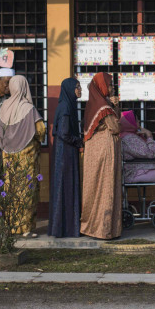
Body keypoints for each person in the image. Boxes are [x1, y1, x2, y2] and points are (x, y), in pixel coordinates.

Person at [0, 75, 46, 238]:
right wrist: (37, 139)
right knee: (26, 188)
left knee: (10, 188)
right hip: (27, 155)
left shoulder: (4, 106)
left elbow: (1, 132)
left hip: (8, 156)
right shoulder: (29, 109)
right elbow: (40, 130)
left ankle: (11, 225)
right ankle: (25, 228)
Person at [80, 72, 122, 240]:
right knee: (106, 189)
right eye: (110, 85)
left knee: (93, 189)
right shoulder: (104, 108)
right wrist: (116, 108)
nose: (112, 88)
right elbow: (116, 127)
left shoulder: (94, 105)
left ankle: (90, 226)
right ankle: (104, 230)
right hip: (105, 153)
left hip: (93, 154)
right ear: (102, 86)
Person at [48, 77, 82, 238]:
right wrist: (80, 141)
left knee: (65, 187)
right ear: (69, 89)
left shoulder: (68, 105)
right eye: (77, 87)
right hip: (65, 153)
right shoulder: (66, 107)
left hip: (65, 151)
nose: (80, 89)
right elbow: (63, 133)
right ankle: (65, 228)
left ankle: (65, 227)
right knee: (66, 187)